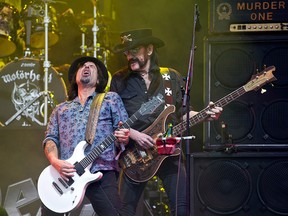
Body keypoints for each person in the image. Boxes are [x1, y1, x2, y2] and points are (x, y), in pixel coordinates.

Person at [110, 28, 223, 216]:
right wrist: (134, 134)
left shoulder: (171, 77)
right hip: (135, 156)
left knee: (181, 209)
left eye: (134, 51)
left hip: (169, 151)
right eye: (126, 52)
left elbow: (183, 114)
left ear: (150, 49)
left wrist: (205, 114)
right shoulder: (119, 79)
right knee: (125, 211)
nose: (130, 56)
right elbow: (114, 119)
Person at [41, 56, 130, 216]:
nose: (86, 67)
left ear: (98, 79)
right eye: (82, 66)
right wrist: (55, 162)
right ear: (75, 77)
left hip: (101, 170)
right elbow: (50, 139)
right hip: (65, 175)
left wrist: (124, 137)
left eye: (91, 66)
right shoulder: (61, 109)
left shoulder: (110, 99)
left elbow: (123, 130)